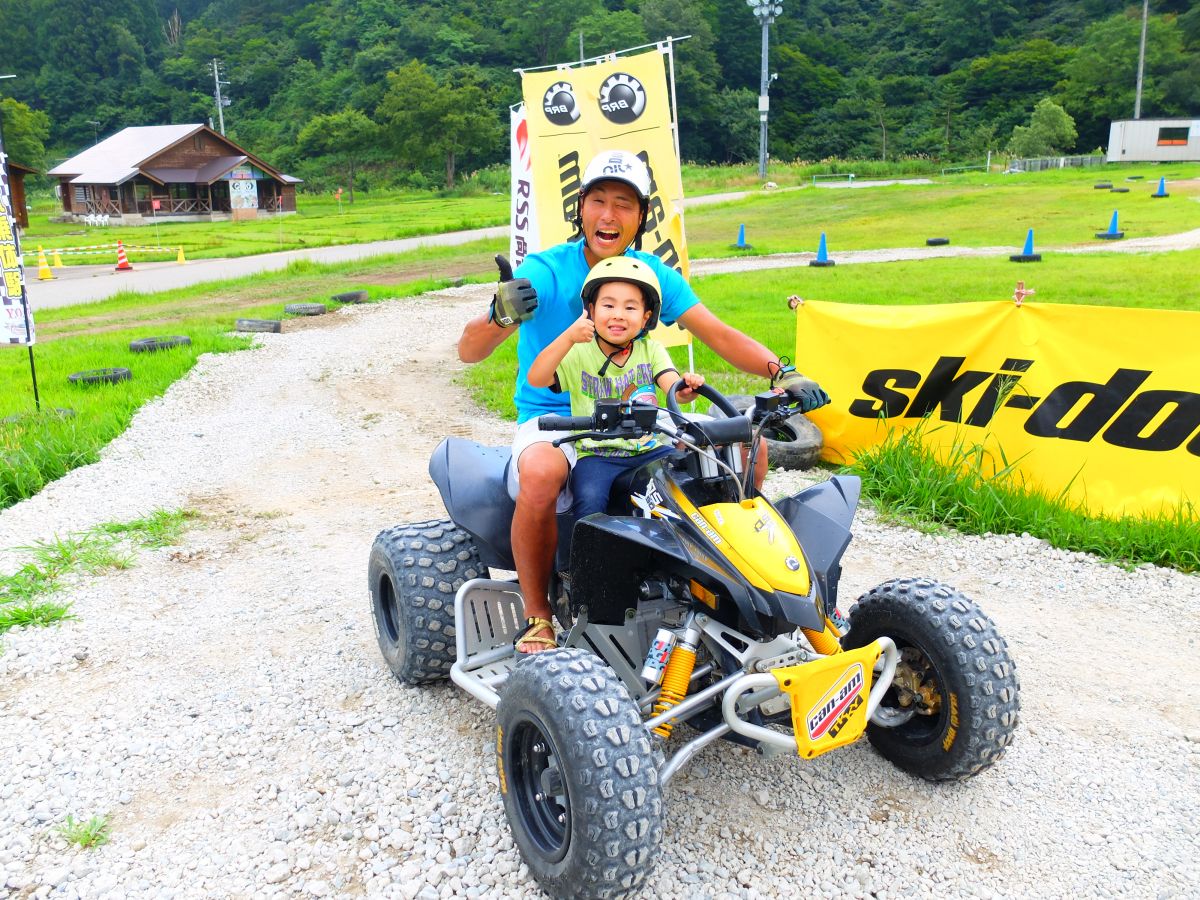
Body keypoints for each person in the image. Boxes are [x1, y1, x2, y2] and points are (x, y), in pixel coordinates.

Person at [458, 149, 829, 654]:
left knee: (748, 446)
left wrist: (782, 372)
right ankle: (539, 613)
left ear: (641, 217)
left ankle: (721, 584)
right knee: (542, 474)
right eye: (599, 201)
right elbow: (469, 351)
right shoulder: (547, 269)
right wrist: (499, 316)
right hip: (559, 419)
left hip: (641, 417)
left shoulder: (651, 275)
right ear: (581, 208)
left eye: (624, 205)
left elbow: (716, 332)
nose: (609, 215)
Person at [528, 256, 704, 527]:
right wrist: (568, 337)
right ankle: (587, 565)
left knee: (686, 486)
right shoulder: (578, 352)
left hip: (648, 449)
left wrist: (686, 388)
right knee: (589, 501)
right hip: (597, 455)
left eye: (630, 307)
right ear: (590, 310)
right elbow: (537, 377)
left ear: (646, 317)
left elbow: (673, 387)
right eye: (608, 305)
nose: (618, 314)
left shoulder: (651, 350)